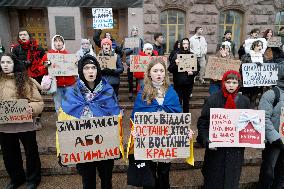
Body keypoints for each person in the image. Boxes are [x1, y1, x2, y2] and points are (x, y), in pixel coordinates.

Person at [127, 58, 194, 189]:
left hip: (167, 141)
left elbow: (178, 116)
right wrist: (135, 129)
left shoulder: (172, 92)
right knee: (150, 176)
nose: (159, 74)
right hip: (149, 141)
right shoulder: (143, 93)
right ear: (149, 73)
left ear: (165, 73)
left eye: (161, 71)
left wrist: (185, 130)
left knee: (164, 174)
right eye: (155, 70)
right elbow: (136, 116)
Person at [57, 54, 121, 189]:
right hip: (83, 146)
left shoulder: (108, 91)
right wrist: (61, 149)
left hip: (105, 145)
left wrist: (118, 145)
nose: (90, 71)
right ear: (81, 71)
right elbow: (63, 123)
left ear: (98, 70)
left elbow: (116, 119)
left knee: (106, 180)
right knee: (88, 181)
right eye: (86, 68)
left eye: (93, 67)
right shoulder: (71, 93)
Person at [196, 70, 250, 189]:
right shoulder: (212, 99)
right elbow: (203, 123)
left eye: (234, 82)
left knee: (231, 183)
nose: (231, 85)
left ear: (238, 84)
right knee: (213, 182)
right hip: (216, 152)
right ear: (223, 82)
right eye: (228, 82)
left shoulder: (244, 101)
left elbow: (248, 124)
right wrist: (206, 139)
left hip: (235, 153)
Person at [0, 53, 44, 189]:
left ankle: (33, 179)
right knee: (9, 154)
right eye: (3, 62)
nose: (6, 65)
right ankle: (16, 178)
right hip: (5, 126)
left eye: (9, 62)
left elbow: (38, 102)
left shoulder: (26, 80)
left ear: (14, 64)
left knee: (31, 153)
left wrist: (30, 108)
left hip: (25, 124)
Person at [257, 62, 284, 189]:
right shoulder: (271, 94)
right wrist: (276, 138)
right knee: (269, 171)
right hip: (274, 142)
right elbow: (263, 118)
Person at [42, 35, 76, 112]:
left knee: (70, 104)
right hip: (57, 86)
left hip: (69, 85)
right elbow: (41, 69)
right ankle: (61, 122)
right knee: (58, 106)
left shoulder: (68, 54)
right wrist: (46, 66)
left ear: (63, 43)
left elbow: (73, 70)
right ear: (53, 43)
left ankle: (69, 122)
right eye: (56, 41)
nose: (58, 43)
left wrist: (75, 65)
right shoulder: (48, 55)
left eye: (60, 41)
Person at [168, 38, 200, 113]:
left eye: (187, 44)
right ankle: (178, 117)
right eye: (184, 44)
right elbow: (170, 69)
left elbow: (198, 68)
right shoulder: (176, 55)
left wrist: (193, 73)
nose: (186, 45)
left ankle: (185, 118)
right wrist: (176, 64)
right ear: (181, 45)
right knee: (178, 101)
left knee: (186, 102)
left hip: (188, 83)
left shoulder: (192, 55)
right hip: (178, 83)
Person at [240, 40, 267, 108]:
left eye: (261, 45)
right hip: (247, 83)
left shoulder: (263, 57)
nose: (260, 47)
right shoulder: (247, 56)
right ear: (253, 46)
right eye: (258, 45)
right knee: (245, 99)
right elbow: (241, 68)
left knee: (253, 99)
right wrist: (253, 65)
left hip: (257, 83)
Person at [123, 26, 144, 100]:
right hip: (130, 61)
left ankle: (137, 91)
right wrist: (131, 49)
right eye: (133, 30)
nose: (135, 31)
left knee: (138, 78)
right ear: (131, 32)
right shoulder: (128, 40)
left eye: (136, 30)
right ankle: (130, 92)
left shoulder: (140, 40)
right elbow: (124, 52)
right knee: (130, 78)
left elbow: (142, 50)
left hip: (138, 61)